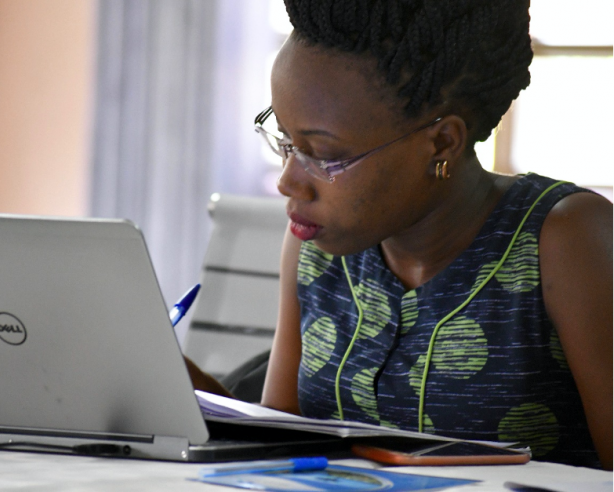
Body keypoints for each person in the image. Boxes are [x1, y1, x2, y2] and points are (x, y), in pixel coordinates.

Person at [188, 0, 613, 470]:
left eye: (323, 155)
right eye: (285, 140)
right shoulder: (316, 247)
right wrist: (176, 383)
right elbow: (281, 439)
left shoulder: (564, 239)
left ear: (442, 142)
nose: (289, 181)